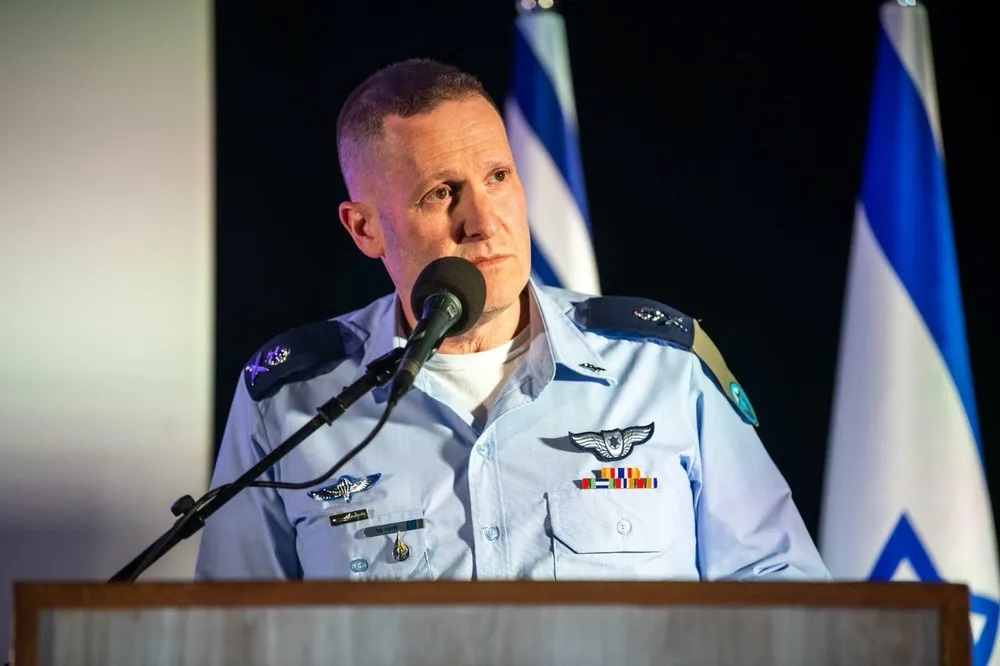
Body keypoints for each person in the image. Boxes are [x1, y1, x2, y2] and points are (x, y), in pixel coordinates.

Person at [194, 58, 830, 582]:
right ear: (364, 228)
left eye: (498, 176)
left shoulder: (663, 369)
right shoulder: (290, 403)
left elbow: (784, 592)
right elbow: (235, 635)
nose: (483, 220)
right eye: (441, 193)